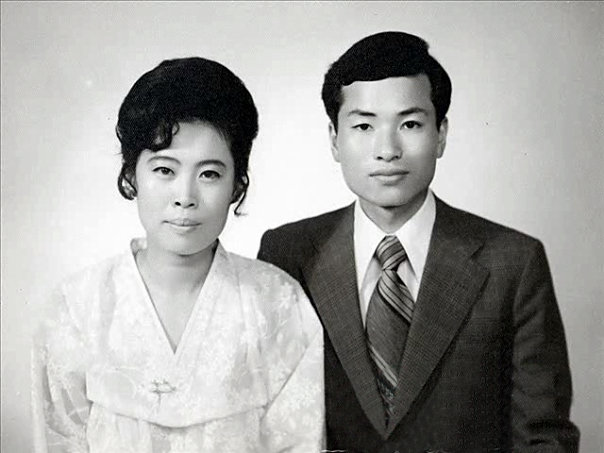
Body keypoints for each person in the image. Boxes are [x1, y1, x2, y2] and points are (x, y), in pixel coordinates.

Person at [257, 31, 579, 453]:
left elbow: (544, 438)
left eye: (410, 124)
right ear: (334, 139)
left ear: (441, 134)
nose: (387, 150)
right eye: (364, 126)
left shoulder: (513, 263)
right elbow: (267, 424)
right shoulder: (288, 254)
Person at [31, 57, 324, 452]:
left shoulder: (278, 304)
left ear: (237, 186)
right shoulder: (77, 307)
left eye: (209, 174)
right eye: (165, 170)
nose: (185, 197)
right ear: (132, 176)